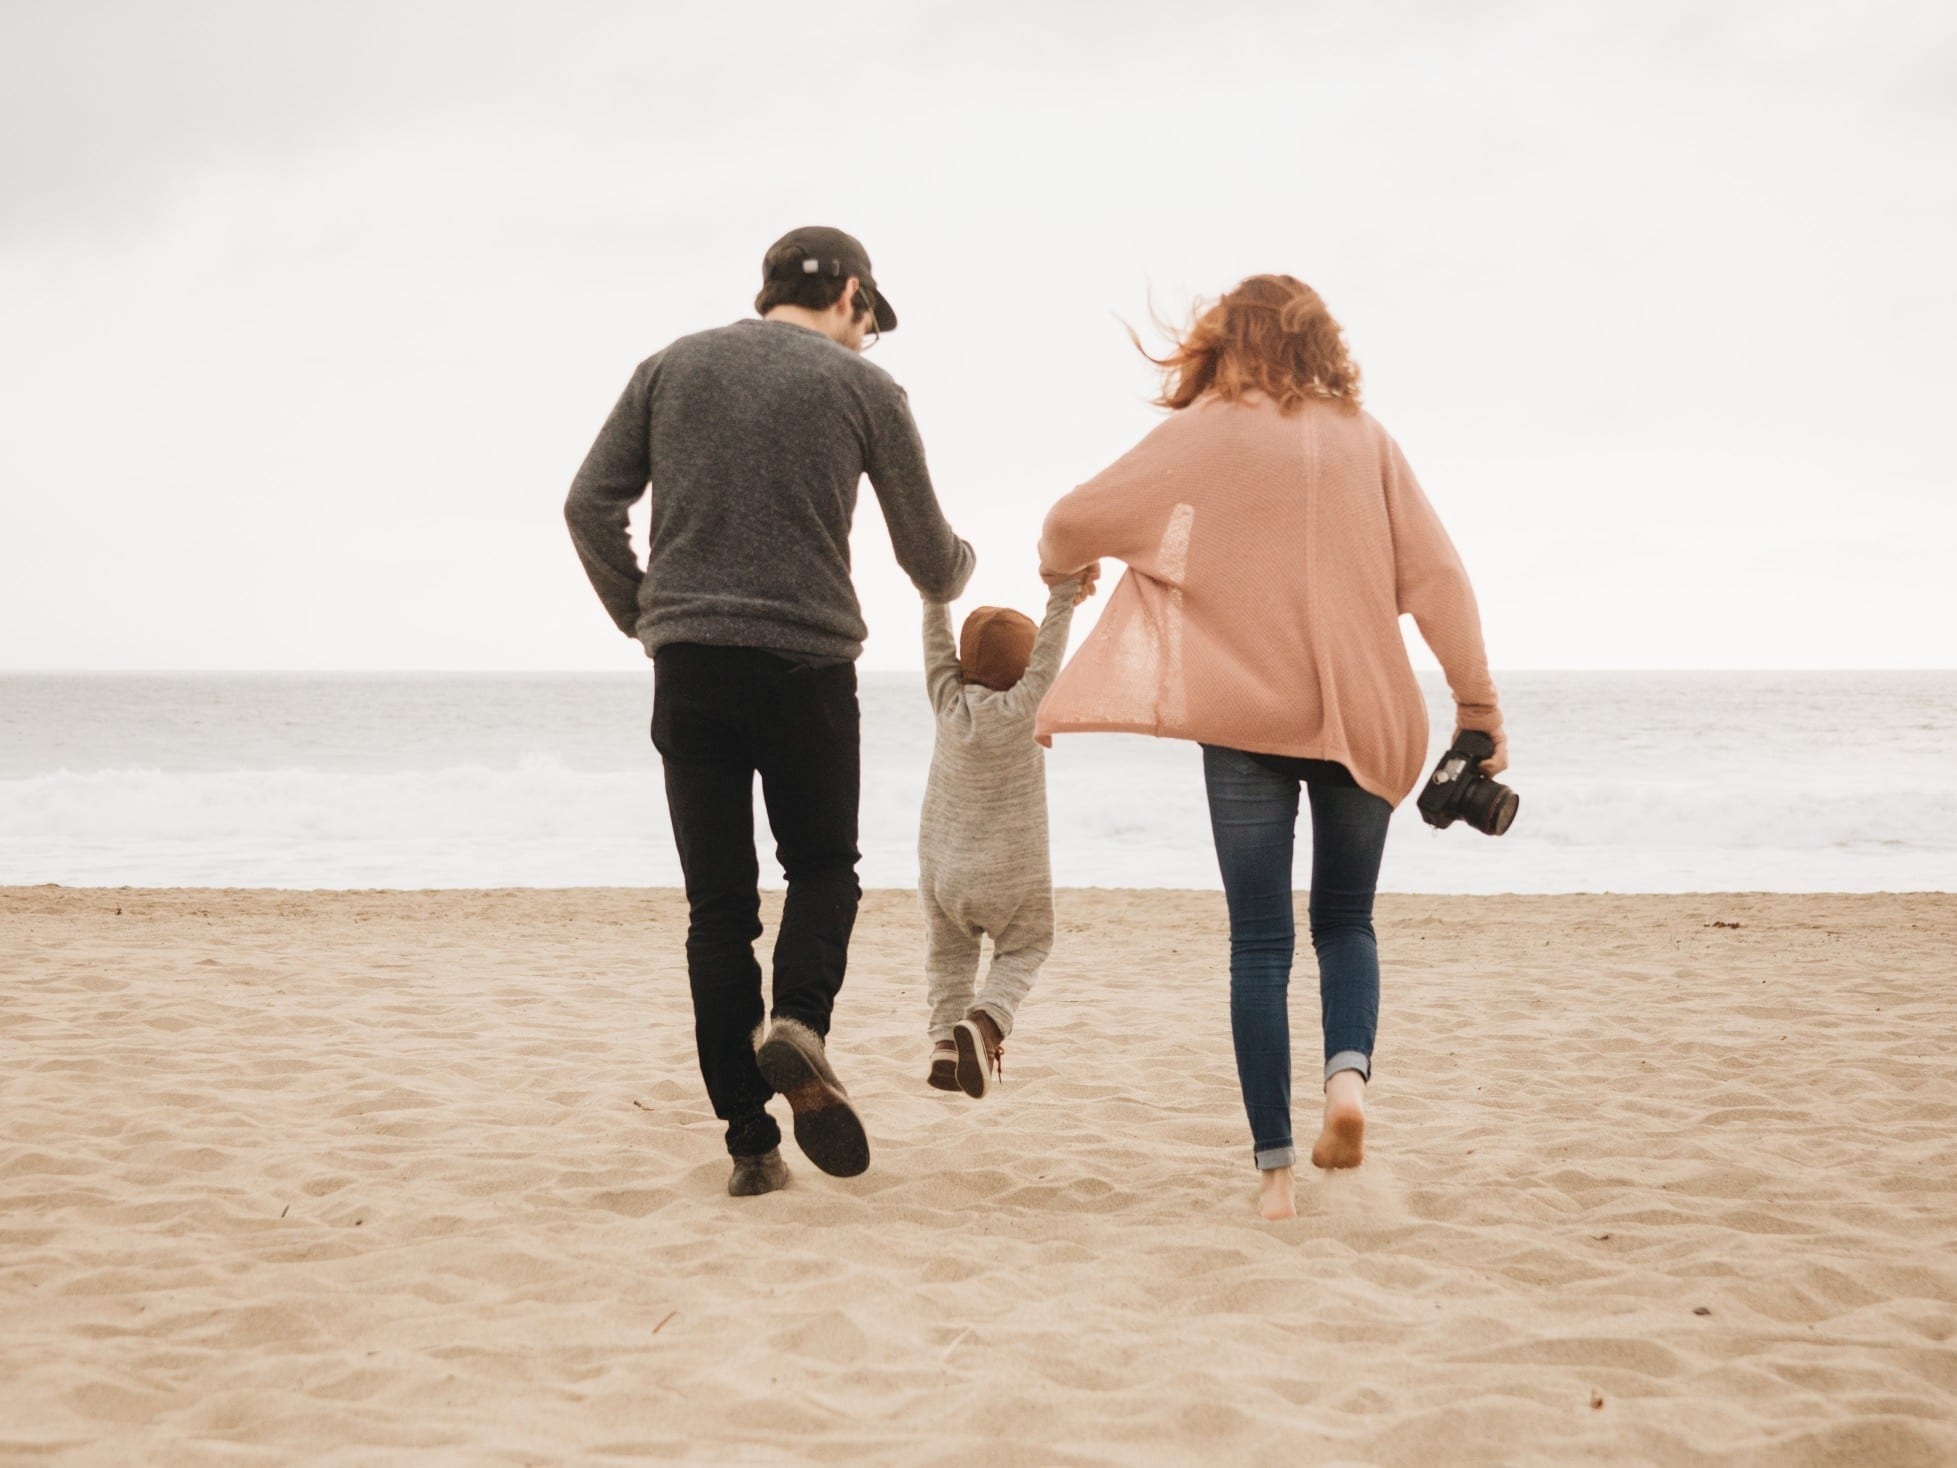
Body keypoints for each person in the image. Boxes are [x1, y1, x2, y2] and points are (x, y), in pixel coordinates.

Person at [1033, 275, 1507, 1220]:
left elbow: (1067, 522)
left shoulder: (1201, 433)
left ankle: (1275, 1179)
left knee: (1258, 942)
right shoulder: (1366, 441)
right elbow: (1440, 581)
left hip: (1248, 728)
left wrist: (1066, 571)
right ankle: (1346, 1091)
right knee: (1346, 925)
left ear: (1225, 341)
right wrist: (1477, 707)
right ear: (1319, 344)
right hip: (1363, 721)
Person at [564, 226, 975, 1197]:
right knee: (824, 869)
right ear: (847, 295)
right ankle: (799, 1025)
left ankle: (750, 1140)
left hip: (690, 662)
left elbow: (588, 505)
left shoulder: (669, 367)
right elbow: (928, 559)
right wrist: (965, 564)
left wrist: (647, 613)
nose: (867, 340)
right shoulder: (864, 388)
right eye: (868, 321)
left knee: (718, 908)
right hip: (807, 664)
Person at [916, 573, 1095, 1098]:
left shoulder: (947, 703)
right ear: (1023, 667)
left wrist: (934, 592)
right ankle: (986, 1024)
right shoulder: (1026, 707)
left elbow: (935, 644)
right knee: (1028, 944)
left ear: (962, 666)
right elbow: (1050, 656)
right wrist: (1063, 595)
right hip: (1013, 876)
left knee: (949, 953)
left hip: (946, 872)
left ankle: (944, 1046)